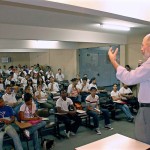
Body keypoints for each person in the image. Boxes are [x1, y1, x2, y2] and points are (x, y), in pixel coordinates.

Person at [108, 33, 150, 144]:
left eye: (142, 45)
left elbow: (128, 78)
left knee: (143, 142)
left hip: (147, 111)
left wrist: (113, 61)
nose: (141, 49)